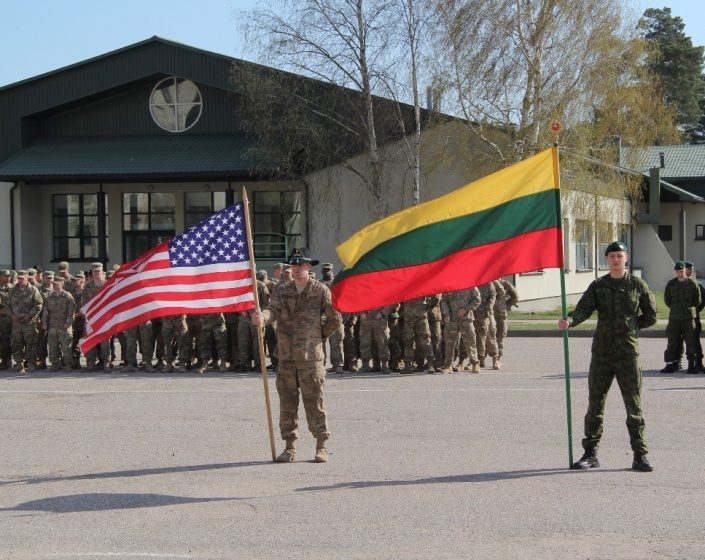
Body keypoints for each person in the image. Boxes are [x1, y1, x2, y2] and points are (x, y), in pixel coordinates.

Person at [558, 241, 657, 472]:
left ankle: (640, 455)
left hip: (627, 354)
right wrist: (571, 320)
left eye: (619, 255)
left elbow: (652, 315)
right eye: (611, 256)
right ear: (607, 259)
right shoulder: (598, 285)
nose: (615, 259)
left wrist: (631, 327)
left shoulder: (637, 285)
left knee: (634, 406)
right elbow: (584, 309)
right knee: (595, 405)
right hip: (602, 353)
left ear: (626, 258)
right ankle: (590, 454)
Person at [252, 247, 341, 463]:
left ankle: (321, 446)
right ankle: (289, 447)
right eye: (294, 265)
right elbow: (272, 310)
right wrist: (262, 317)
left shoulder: (320, 290)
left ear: (309, 267)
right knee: (287, 403)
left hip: (311, 359)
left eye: (301, 265)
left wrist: (317, 336)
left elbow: (335, 319)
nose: (297, 268)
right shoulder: (282, 291)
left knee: (315, 402)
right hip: (286, 357)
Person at [661, 261, 700, 374]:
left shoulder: (692, 284)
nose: (680, 273)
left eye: (682, 271)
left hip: (688, 318)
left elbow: (697, 300)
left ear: (685, 271)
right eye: (678, 271)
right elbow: (667, 300)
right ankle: (670, 365)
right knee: (672, 341)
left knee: (690, 342)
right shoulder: (671, 284)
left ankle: (691, 365)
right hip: (674, 318)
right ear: (675, 271)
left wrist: (688, 308)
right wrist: (676, 308)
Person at [8, 270, 43, 373]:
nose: (20, 280)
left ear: (27, 278)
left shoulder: (33, 290)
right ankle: (19, 364)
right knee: (16, 344)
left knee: (30, 344)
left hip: (29, 323)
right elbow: (8, 306)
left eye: (22, 278)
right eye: (19, 278)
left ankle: (31, 363)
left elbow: (38, 305)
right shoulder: (13, 291)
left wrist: (29, 315)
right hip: (17, 323)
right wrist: (12, 315)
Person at [41, 277, 76, 370]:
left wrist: (68, 323)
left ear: (62, 284)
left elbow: (71, 311)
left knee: (66, 347)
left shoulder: (68, 296)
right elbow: (46, 311)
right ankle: (55, 364)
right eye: (53, 283)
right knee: (52, 346)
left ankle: (68, 365)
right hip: (52, 325)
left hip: (64, 326)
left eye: (56, 283)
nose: (54, 285)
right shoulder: (50, 296)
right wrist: (44, 323)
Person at [684, 260, 705, 372]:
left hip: (694, 318)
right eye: (689, 269)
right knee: (677, 341)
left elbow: (702, 301)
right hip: (680, 318)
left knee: (695, 341)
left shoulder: (698, 285)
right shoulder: (677, 283)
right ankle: (675, 363)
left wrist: (695, 311)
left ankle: (699, 363)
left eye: (692, 269)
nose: (691, 271)